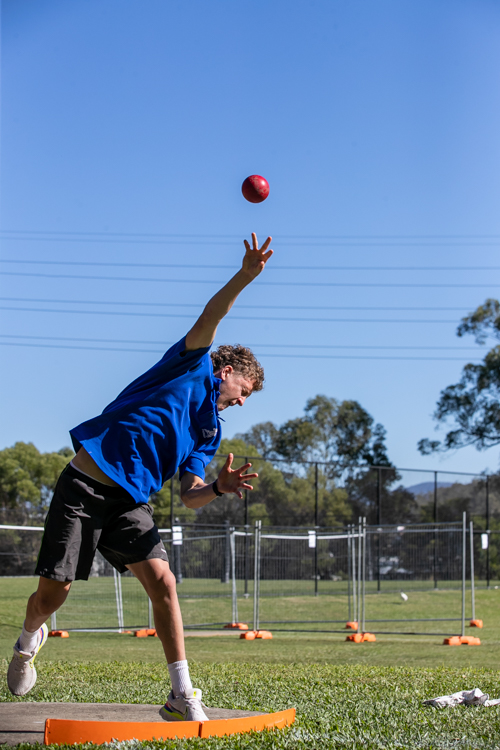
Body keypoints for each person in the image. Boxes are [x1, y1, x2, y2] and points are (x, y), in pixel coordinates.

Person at [7, 233, 273, 722]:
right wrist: (245, 276)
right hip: (84, 486)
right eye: (245, 389)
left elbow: (190, 495)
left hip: (131, 503)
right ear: (227, 371)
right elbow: (212, 314)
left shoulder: (210, 431)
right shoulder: (191, 363)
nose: (242, 400)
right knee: (53, 595)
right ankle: (27, 642)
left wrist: (218, 488)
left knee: (164, 583)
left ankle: (181, 693)